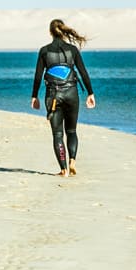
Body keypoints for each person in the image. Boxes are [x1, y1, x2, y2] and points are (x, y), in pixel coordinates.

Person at [31, 19, 96, 177]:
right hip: (72, 93)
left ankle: (64, 169)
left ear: (50, 33)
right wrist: (90, 93)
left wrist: (34, 96)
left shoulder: (44, 51)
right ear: (63, 31)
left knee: (58, 134)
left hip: (53, 95)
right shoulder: (72, 50)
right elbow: (83, 73)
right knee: (72, 131)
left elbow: (38, 76)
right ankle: (73, 160)